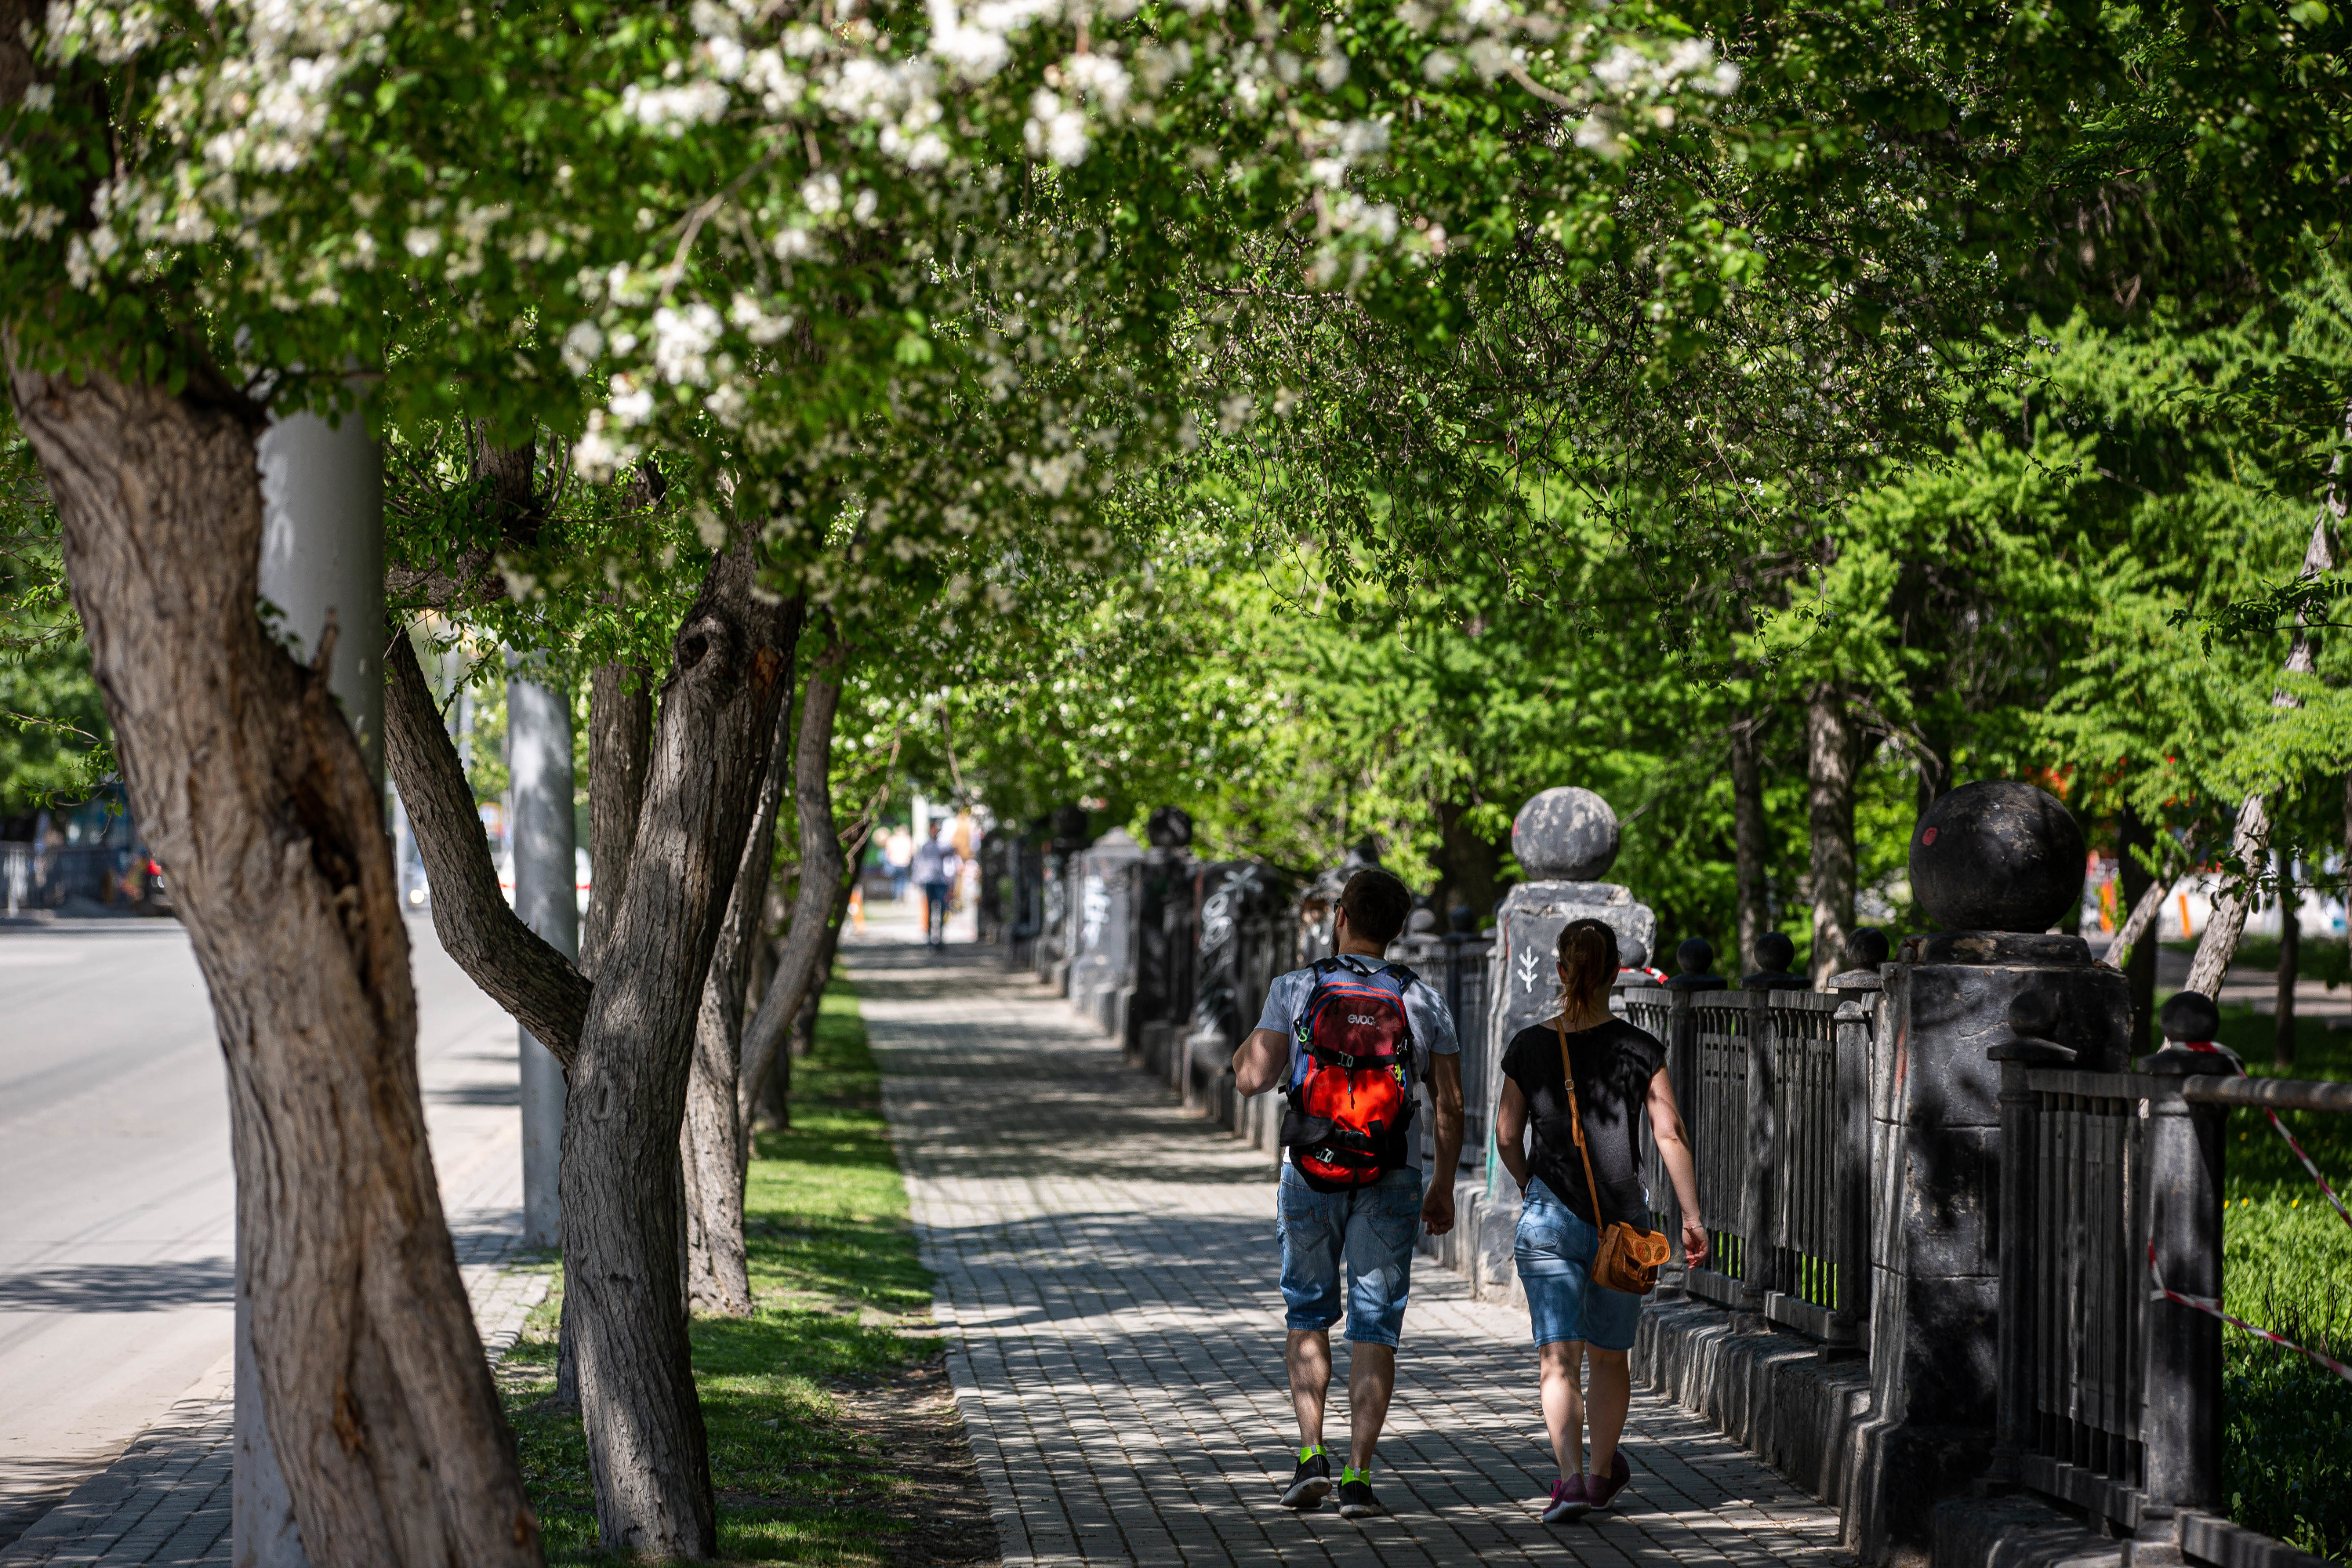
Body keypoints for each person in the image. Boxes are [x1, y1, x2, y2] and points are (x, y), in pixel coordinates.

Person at [1231, 867, 1464, 1521]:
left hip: (1308, 1168)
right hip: (1393, 1173)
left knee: (1307, 1312)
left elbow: (1252, 1078)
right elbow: (1451, 1106)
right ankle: (1359, 1477)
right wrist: (1441, 1186)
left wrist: (1252, 1038)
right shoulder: (1423, 1000)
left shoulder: (1297, 986)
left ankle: (1311, 1457)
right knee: (1375, 1322)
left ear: (1340, 916)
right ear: (1394, 928)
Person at [1493, 917, 1706, 1523]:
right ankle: (1600, 1471)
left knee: (1557, 1360)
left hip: (1548, 1216)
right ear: (1617, 971)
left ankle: (1568, 1483)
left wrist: (1528, 1183)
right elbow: (1669, 1132)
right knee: (1610, 1357)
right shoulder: (1641, 1048)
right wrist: (1691, 1217)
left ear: (1560, 971)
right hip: (1626, 1229)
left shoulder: (1529, 1045)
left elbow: (1507, 1133)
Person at [910, 818, 960, 949]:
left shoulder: (942, 845)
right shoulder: (925, 847)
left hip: (940, 882)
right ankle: (930, 939)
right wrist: (918, 880)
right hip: (929, 881)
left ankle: (940, 939)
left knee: (942, 909)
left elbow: (953, 852)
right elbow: (918, 865)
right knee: (930, 911)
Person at [884, 825, 914, 902]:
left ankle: (896, 898)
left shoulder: (892, 839)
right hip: (904, 863)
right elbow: (913, 851)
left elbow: (887, 852)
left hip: (894, 863)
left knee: (896, 881)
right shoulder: (907, 839)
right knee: (902, 881)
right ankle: (900, 897)